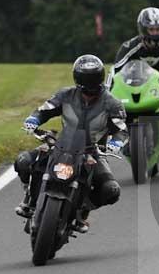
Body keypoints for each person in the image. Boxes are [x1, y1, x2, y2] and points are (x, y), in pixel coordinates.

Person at [13, 54, 127, 233]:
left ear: (100, 78)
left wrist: (117, 143)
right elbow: (45, 110)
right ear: (78, 79)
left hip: (93, 151)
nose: (90, 87)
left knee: (111, 191)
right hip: (61, 145)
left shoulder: (112, 103)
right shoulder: (65, 95)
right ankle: (29, 196)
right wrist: (33, 119)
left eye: (93, 79)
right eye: (86, 80)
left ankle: (83, 210)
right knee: (23, 161)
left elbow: (121, 129)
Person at [105, 7, 159, 139]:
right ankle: (117, 131)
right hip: (134, 84)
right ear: (143, 29)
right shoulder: (129, 46)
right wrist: (108, 91)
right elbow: (115, 69)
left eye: (158, 29)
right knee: (109, 108)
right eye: (151, 29)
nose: (155, 33)